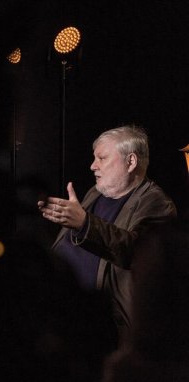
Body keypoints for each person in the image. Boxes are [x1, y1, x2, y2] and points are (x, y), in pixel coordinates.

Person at [38, 125, 177, 344]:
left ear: (131, 162)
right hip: (58, 304)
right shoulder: (95, 192)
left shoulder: (157, 203)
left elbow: (136, 251)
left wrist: (84, 223)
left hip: (100, 322)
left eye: (102, 158)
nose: (93, 166)